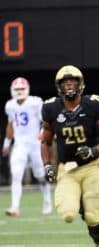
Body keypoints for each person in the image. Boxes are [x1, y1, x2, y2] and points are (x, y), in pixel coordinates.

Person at [40, 65, 99, 247]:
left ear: (80, 84)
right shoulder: (51, 109)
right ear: (59, 87)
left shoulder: (94, 105)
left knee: (94, 217)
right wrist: (48, 165)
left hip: (93, 165)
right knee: (67, 214)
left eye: (72, 82)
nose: (69, 86)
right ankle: (81, 205)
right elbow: (45, 142)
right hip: (68, 168)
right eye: (65, 83)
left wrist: (93, 150)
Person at [3, 77, 52, 216]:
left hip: (35, 144)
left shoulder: (35, 102)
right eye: (17, 89)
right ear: (12, 91)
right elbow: (11, 124)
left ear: (27, 89)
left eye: (22, 89)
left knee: (40, 175)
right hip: (19, 144)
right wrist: (7, 143)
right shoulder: (10, 105)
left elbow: (46, 120)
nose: (19, 92)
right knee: (16, 175)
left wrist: (42, 132)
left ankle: (47, 200)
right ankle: (14, 207)